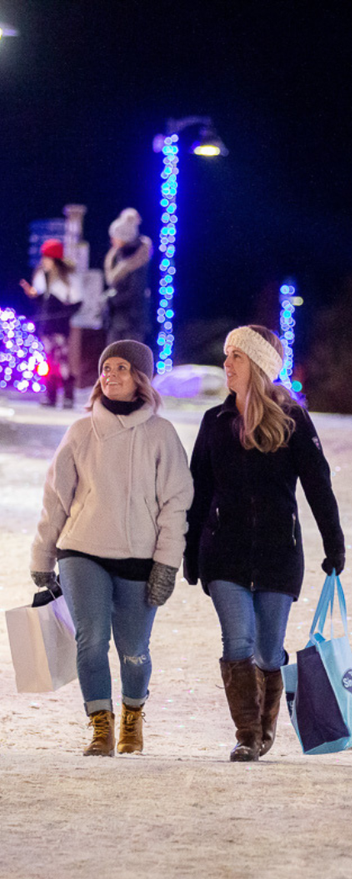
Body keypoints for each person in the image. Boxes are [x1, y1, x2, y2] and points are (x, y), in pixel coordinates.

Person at [184, 325, 345, 762]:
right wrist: (190, 550)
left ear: (257, 365)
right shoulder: (215, 422)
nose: (227, 364)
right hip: (224, 552)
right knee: (238, 641)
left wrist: (335, 544)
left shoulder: (293, 421)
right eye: (227, 355)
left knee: (269, 651)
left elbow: (318, 484)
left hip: (278, 552)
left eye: (235, 356)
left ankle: (264, 727)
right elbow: (198, 490)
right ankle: (248, 736)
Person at [30, 340, 193, 756]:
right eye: (106, 368)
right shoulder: (81, 432)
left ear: (140, 378)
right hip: (82, 550)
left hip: (140, 558)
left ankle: (133, 716)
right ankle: (101, 726)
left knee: (134, 651)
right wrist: (42, 558)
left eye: (122, 367)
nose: (111, 375)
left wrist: (166, 564)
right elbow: (55, 499)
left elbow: (176, 505)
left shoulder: (161, 435)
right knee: (91, 640)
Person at [20, 238, 82, 408]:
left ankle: (68, 396)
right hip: (46, 326)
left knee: (62, 360)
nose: (43, 261)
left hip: (60, 327)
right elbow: (42, 303)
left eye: (46, 257)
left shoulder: (68, 279)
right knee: (47, 361)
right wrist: (33, 295)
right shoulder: (42, 276)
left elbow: (76, 302)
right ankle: (51, 395)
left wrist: (64, 313)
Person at [104, 208, 153, 344]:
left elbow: (135, 291)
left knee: (130, 358)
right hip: (118, 319)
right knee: (115, 355)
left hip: (132, 320)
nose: (112, 240)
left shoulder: (137, 261)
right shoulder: (118, 257)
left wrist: (111, 299)